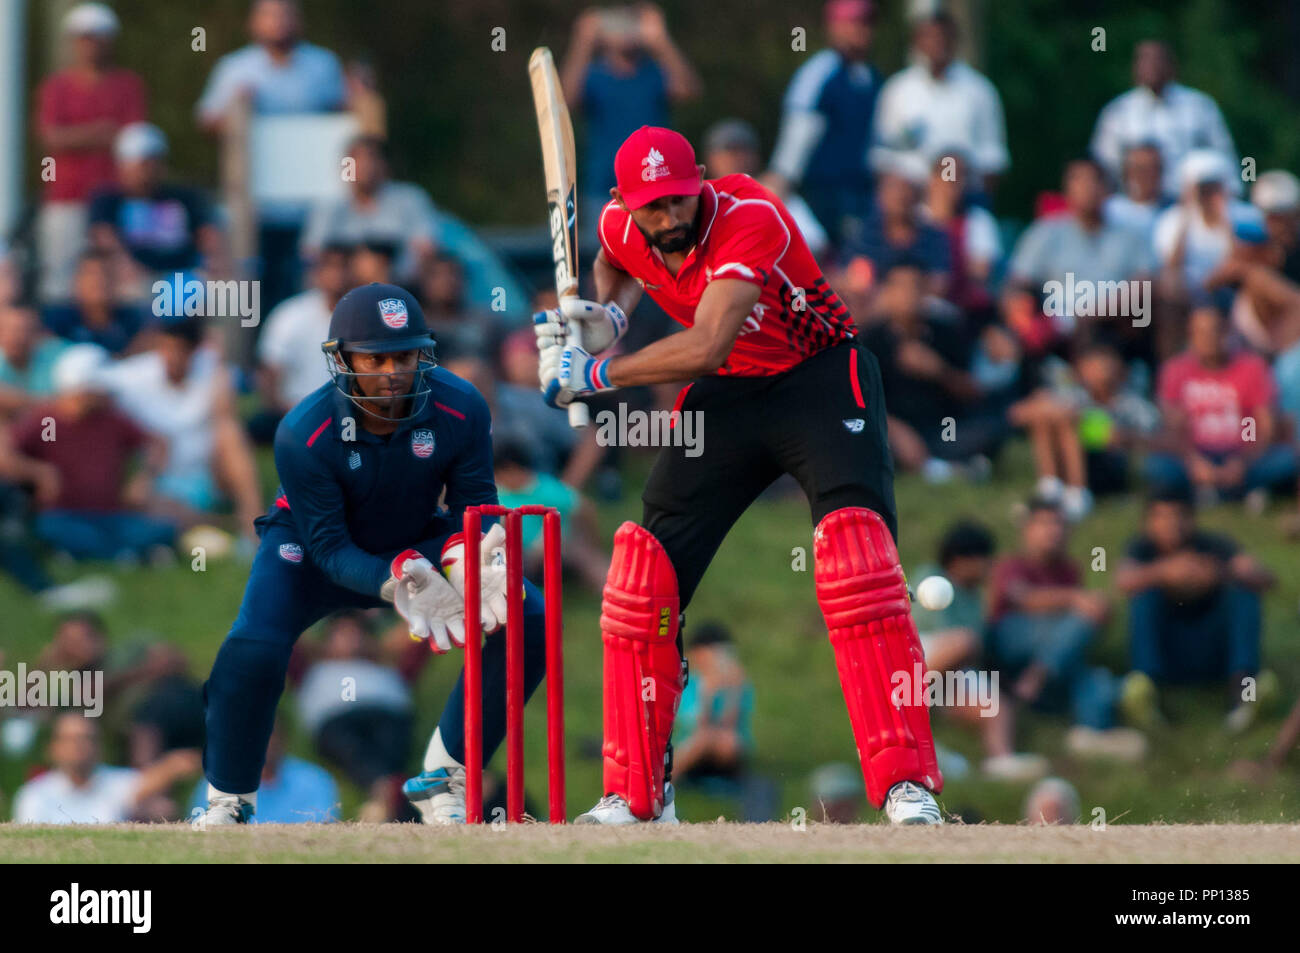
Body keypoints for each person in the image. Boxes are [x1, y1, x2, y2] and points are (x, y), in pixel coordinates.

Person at [537, 125, 944, 825]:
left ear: (699, 181)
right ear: (625, 201)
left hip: (817, 377)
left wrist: (596, 372)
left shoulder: (748, 214)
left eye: (677, 201)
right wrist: (607, 312)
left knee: (857, 558)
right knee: (642, 576)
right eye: (651, 207)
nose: (667, 219)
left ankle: (907, 785)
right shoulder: (620, 223)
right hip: (731, 394)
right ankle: (637, 796)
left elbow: (707, 341)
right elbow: (614, 260)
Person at [196, 283, 552, 826]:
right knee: (252, 648)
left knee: (528, 614)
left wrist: (471, 558)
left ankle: (446, 776)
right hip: (314, 548)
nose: (392, 371)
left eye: (404, 355)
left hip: (414, 538)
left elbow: (475, 508)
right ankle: (229, 802)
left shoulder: (460, 406)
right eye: (375, 357)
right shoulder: (302, 432)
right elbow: (331, 547)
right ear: (342, 359)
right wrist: (396, 580)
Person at [986, 499, 1144, 760]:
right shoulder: (1010, 565)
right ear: (1027, 530)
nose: (1053, 530)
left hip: (1052, 656)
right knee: (1083, 617)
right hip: (1011, 644)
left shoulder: (1069, 570)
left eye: (1059, 524)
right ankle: (1039, 676)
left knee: (1096, 679)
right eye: (1045, 523)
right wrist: (1075, 600)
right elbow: (1023, 599)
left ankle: (1090, 733)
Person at [1116, 488, 1274, 727]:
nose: (1172, 525)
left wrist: (1220, 572)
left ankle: (1243, 691)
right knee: (1143, 595)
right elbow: (1123, 582)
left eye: (1179, 516)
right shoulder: (1141, 549)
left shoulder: (1214, 545)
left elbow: (1265, 578)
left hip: (1213, 650)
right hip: (1169, 653)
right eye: (1162, 517)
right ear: (1148, 523)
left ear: (1191, 519)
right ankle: (1146, 689)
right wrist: (1163, 572)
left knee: (1244, 592)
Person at [99, 314, 264, 541]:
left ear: (195, 351)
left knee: (230, 433)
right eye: (165, 349)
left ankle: (252, 523)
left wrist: (219, 365)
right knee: (139, 498)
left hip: (207, 475)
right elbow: (88, 384)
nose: (172, 357)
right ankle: (221, 526)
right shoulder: (133, 375)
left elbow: (227, 414)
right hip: (158, 480)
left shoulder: (213, 370)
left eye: (180, 350)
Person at [9, 344, 175, 561]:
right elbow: (6, 453)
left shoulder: (113, 419)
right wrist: (38, 472)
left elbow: (158, 443)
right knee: (50, 528)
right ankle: (124, 554)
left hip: (111, 516)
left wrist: (145, 477)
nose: (107, 394)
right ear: (81, 389)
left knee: (164, 529)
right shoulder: (46, 419)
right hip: (64, 515)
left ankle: (96, 553)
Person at [910, 521, 1047, 782]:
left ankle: (1000, 760)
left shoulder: (975, 597)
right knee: (964, 642)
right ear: (962, 560)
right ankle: (904, 709)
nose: (988, 566)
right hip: (919, 656)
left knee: (996, 704)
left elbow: (979, 642)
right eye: (983, 558)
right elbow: (952, 637)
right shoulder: (931, 577)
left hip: (952, 677)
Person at [33, 3, 147, 302]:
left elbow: (134, 142)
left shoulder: (128, 84)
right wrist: (99, 132)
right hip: (67, 196)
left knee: (122, 276)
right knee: (60, 277)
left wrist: (76, 136)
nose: (91, 45)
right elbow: (50, 137)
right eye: (84, 38)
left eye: (97, 37)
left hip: (115, 199)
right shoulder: (57, 86)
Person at [1146, 304, 1297, 503]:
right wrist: (1193, 460)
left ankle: (1214, 492)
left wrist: (1242, 461)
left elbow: (1261, 424)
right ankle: (1238, 491)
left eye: (1214, 330)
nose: (1207, 338)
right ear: (1190, 336)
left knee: (1286, 459)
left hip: (1242, 452)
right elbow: (1174, 428)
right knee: (1156, 466)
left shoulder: (1251, 368)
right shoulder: (1175, 370)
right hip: (1196, 453)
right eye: (1200, 332)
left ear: (1226, 331)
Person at [562, 4, 701, 219]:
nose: (624, 31)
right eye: (616, 24)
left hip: (657, 186)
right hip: (604, 188)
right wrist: (582, 41)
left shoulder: (654, 72)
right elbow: (566, 102)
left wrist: (661, 40)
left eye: (630, 23)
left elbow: (689, 90)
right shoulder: (593, 76)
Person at [764, 0, 880, 247]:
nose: (861, 30)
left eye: (866, 23)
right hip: (821, 191)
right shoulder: (819, 72)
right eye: (852, 23)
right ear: (834, 27)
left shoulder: (871, 77)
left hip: (859, 190)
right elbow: (800, 129)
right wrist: (783, 176)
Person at [870, 9, 1008, 198]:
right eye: (929, 37)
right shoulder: (898, 90)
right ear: (917, 42)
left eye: (943, 37)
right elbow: (882, 156)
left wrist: (960, 197)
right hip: (911, 203)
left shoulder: (978, 91)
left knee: (949, 164)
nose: (937, 43)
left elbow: (992, 158)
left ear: (955, 40)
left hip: (964, 198)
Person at [87, 123, 228, 297]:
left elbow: (207, 233)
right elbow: (104, 237)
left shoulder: (183, 197)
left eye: (155, 162)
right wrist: (125, 265)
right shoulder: (108, 200)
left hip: (183, 279)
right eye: (143, 164)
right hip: (135, 278)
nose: (150, 170)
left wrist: (214, 259)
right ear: (124, 165)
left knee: (222, 289)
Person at [1090, 40, 1237, 198]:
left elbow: (1223, 156)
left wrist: (1232, 194)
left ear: (1172, 65)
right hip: (1132, 206)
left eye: (1158, 59)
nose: (1152, 66)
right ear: (1135, 66)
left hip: (1189, 204)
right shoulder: (1117, 112)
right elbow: (1104, 165)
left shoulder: (1200, 106)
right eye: (1145, 59)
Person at [300, 136, 439, 286]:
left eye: (372, 158)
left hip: (402, 286)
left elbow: (426, 250)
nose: (365, 166)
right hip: (343, 290)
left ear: (385, 165)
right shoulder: (328, 207)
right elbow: (312, 254)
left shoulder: (410, 200)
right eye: (356, 160)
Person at [13, 712, 200, 824]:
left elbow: (152, 779)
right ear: (53, 748)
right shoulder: (35, 795)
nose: (79, 746)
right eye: (70, 739)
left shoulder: (113, 782)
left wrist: (177, 764)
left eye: (87, 738)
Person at [250, 240, 351, 442]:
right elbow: (269, 373)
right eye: (331, 266)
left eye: (343, 267)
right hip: (294, 411)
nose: (337, 275)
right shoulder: (290, 314)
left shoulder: (362, 317)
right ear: (317, 272)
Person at [190, 719, 339, 823]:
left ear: (283, 738)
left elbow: (321, 828)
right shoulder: (215, 783)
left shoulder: (314, 780)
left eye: (269, 733)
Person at [671, 622, 755, 782]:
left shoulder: (738, 683)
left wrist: (733, 691)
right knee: (704, 737)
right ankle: (667, 780)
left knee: (728, 741)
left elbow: (730, 724)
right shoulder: (692, 683)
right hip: (695, 746)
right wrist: (707, 692)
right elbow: (696, 725)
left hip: (726, 749)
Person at [40, 249, 145, 355]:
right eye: (90, 275)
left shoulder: (134, 320)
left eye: (105, 275)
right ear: (76, 282)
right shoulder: (55, 320)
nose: (98, 281)